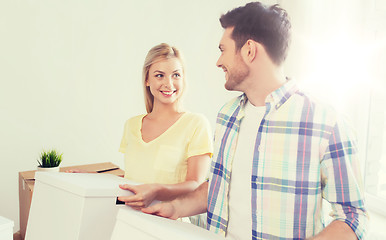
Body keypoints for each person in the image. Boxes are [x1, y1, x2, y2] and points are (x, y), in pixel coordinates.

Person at [142, 2, 368, 240]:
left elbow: (353, 217)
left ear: (249, 50)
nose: (218, 62)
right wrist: (174, 208)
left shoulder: (326, 123)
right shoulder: (227, 116)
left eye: (223, 49)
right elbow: (220, 188)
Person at [116, 43, 213, 215]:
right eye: (159, 75)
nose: (169, 83)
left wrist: (157, 190)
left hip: (170, 223)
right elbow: (133, 177)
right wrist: (91, 178)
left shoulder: (196, 124)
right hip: (130, 220)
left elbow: (196, 184)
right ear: (147, 79)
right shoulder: (131, 125)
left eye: (176, 75)